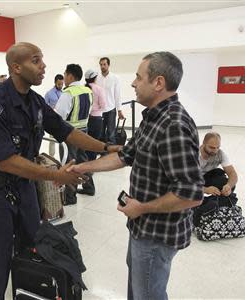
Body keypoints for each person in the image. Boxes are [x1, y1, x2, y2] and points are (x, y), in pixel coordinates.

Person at [0, 42, 119, 300]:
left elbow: (67, 131)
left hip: (24, 189)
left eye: (42, 60)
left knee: (33, 249)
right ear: (16, 67)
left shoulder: (35, 101)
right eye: (36, 60)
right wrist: (57, 175)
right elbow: (5, 161)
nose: (44, 66)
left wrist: (107, 147)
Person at [69, 52, 204, 299]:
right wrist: (83, 167)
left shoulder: (173, 124)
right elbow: (125, 156)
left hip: (157, 234)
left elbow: (191, 194)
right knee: (138, 289)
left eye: (138, 77)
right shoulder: (153, 117)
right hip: (141, 227)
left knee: (148, 294)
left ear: (158, 83)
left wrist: (141, 208)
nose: (133, 83)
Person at [55, 64, 95, 199]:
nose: (64, 78)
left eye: (65, 75)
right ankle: (89, 187)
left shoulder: (68, 93)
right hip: (84, 130)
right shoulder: (87, 90)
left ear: (70, 76)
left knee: (69, 164)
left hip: (70, 133)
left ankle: (70, 196)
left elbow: (59, 116)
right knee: (83, 161)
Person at [200, 132, 238, 196]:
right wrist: (206, 189)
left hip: (206, 176)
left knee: (230, 185)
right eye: (211, 147)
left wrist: (228, 186)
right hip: (193, 179)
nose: (215, 151)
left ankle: (217, 203)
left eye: (217, 147)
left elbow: (232, 173)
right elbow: (186, 183)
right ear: (204, 143)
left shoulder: (220, 153)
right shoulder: (193, 155)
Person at [97, 57, 125, 144]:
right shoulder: (97, 78)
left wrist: (119, 110)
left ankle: (112, 154)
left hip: (111, 110)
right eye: (101, 65)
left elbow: (117, 94)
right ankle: (101, 153)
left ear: (108, 65)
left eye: (104, 64)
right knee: (100, 134)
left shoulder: (115, 78)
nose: (102, 66)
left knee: (111, 134)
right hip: (100, 110)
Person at [84, 69, 106, 161]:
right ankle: (91, 165)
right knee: (94, 143)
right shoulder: (99, 89)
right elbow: (103, 105)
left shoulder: (83, 88)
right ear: (95, 78)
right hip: (96, 119)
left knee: (85, 142)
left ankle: (84, 162)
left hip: (86, 119)